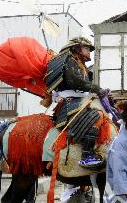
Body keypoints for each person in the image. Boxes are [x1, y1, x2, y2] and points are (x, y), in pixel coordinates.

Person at [44, 37, 108, 168]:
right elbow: (75, 81)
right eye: (87, 48)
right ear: (77, 48)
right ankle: (87, 155)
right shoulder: (69, 61)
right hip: (69, 103)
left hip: (79, 100)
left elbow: (86, 84)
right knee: (96, 116)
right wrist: (97, 89)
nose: (89, 51)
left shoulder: (80, 64)